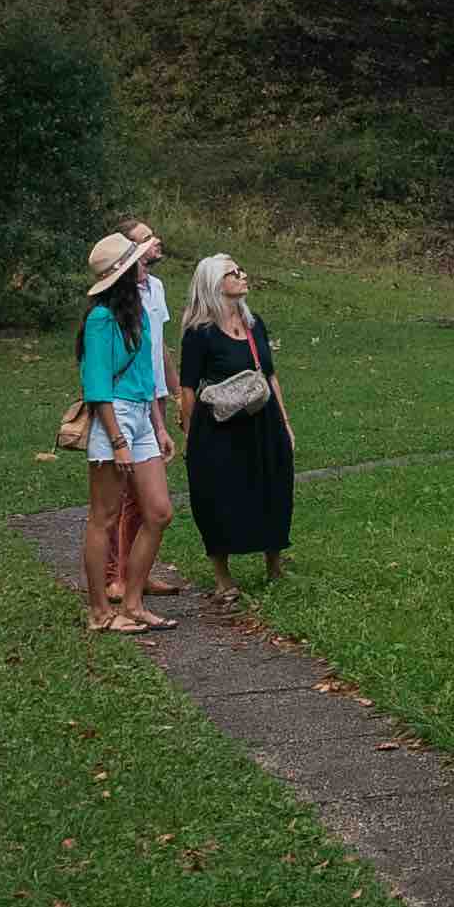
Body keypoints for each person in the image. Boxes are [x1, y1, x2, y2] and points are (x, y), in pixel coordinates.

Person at [175, 252, 297, 609]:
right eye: (234, 273)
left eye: (241, 270)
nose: (243, 275)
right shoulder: (199, 333)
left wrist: (285, 423)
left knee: (274, 485)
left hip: (263, 420)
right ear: (216, 284)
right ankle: (222, 576)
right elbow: (187, 387)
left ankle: (274, 564)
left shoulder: (254, 322)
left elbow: (270, 375)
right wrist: (189, 433)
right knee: (218, 495)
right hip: (219, 426)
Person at [76, 228, 174, 636]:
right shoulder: (101, 320)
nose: (145, 262)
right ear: (122, 272)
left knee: (158, 511)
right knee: (105, 515)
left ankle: (132, 602)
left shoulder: (140, 310)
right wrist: (118, 441)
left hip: (141, 415)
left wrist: (159, 426)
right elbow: (97, 386)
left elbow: (148, 376)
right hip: (112, 416)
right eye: (137, 260)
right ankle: (100, 610)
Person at [117, 216, 193, 600]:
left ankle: (139, 573)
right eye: (146, 238)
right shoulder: (118, 293)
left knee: (149, 493)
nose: (156, 241)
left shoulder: (157, 287)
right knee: (131, 493)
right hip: (128, 397)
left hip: (155, 394)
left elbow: (159, 345)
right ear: (128, 249)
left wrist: (177, 392)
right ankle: (119, 575)